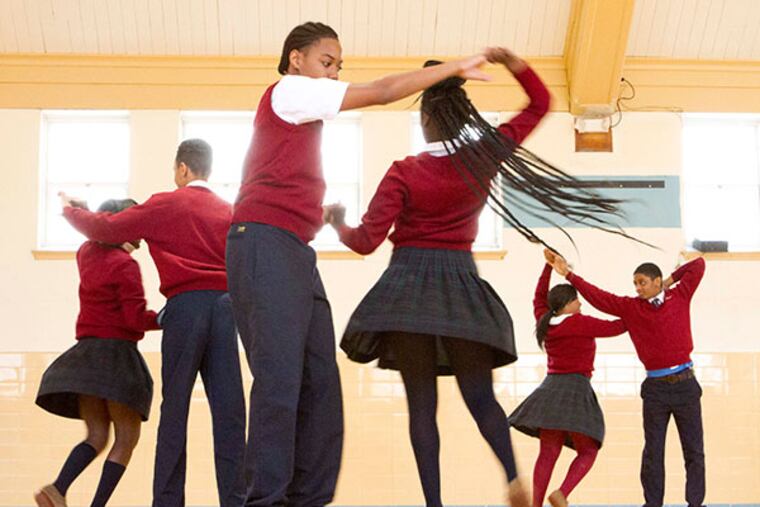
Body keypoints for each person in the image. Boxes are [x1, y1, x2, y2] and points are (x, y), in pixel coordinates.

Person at [225, 21, 493, 507]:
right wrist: (453, 68)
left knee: (321, 380)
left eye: (338, 67)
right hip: (263, 241)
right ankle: (262, 499)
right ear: (296, 60)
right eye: (327, 63)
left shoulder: (304, 112)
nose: (333, 74)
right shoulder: (289, 91)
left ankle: (307, 498)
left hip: (294, 248)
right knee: (280, 380)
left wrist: (320, 215)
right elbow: (384, 91)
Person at [322, 45, 563, 507]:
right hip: (461, 286)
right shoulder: (484, 155)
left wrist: (336, 221)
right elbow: (541, 104)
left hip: (408, 290)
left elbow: (365, 241)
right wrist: (514, 64)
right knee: (480, 397)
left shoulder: (405, 172)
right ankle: (512, 476)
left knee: (421, 408)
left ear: (426, 117)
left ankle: (434, 503)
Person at [60, 139, 245, 507]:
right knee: (230, 412)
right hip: (227, 309)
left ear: (182, 168)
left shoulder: (165, 203)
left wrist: (70, 211)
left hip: (184, 309)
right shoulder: (231, 211)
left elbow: (107, 228)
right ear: (208, 169)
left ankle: (167, 502)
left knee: (175, 409)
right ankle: (237, 501)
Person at [548, 252, 707, 507]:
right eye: (635, 283)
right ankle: (652, 504)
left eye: (642, 282)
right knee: (653, 452)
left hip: (686, 384)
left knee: (694, 451)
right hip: (655, 389)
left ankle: (696, 504)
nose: (638, 287)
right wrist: (569, 274)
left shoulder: (680, 295)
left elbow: (698, 265)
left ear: (656, 281)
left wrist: (671, 280)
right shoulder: (632, 308)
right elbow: (600, 298)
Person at [34, 198, 159, 507]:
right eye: (135, 227)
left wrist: (88, 212)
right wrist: (167, 317)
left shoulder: (86, 253)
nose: (141, 239)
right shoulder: (125, 265)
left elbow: (95, 235)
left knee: (96, 435)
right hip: (117, 357)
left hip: (86, 358)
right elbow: (134, 320)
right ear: (117, 224)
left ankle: (57, 489)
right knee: (126, 439)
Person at [509, 250, 627, 507]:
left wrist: (547, 267)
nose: (581, 305)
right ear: (568, 304)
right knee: (588, 450)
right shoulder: (579, 322)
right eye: (577, 301)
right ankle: (562, 492)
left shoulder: (544, 320)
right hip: (576, 388)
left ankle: (536, 504)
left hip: (550, 390)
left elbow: (539, 297)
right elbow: (617, 327)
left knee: (548, 452)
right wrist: (637, 311)